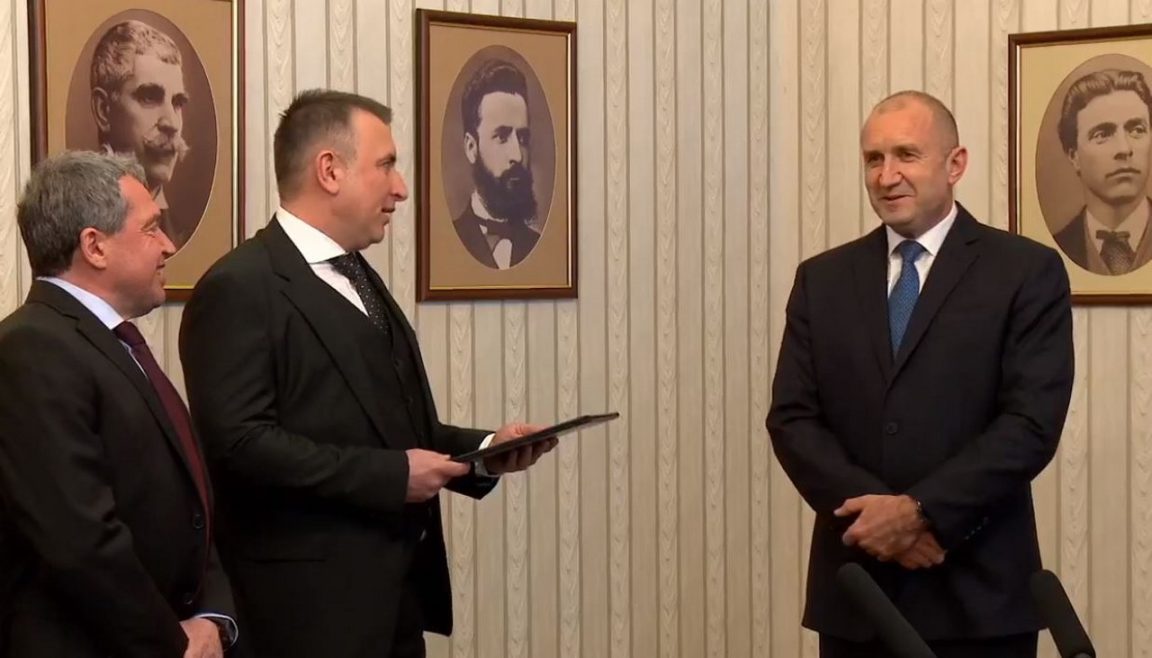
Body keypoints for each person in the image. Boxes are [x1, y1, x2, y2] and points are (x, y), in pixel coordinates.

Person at [179, 89, 554, 658]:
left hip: (393, 608)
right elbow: (240, 446)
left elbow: (390, 427)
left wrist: (485, 451)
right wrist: (391, 476)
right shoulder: (239, 288)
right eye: (386, 165)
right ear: (330, 170)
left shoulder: (356, 273)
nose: (400, 188)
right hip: (302, 619)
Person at [766, 90, 1074, 658]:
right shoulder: (822, 279)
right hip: (858, 595)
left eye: (906, 155)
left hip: (978, 597)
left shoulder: (1025, 271)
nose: (887, 177)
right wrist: (876, 522)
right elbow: (793, 419)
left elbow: (1030, 424)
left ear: (955, 164)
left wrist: (920, 514)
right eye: (873, 159)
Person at [0, 151, 235, 657]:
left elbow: (191, 502)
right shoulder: (31, 349)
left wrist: (213, 617)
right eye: (151, 228)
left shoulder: (116, 343)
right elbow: (79, 540)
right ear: (95, 246)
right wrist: (174, 643)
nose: (168, 245)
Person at [90, 19, 196, 249]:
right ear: (104, 110)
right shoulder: (78, 230)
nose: (171, 123)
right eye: (149, 97)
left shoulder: (179, 234)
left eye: (177, 103)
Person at [1053, 68, 1152, 275]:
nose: (1124, 149)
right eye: (1102, 134)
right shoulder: (1054, 249)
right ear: (1074, 156)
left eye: (1137, 130)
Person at [453, 57, 542, 270]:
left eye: (522, 138)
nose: (517, 156)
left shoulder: (538, 247)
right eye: (502, 136)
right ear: (471, 147)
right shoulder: (449, 241)